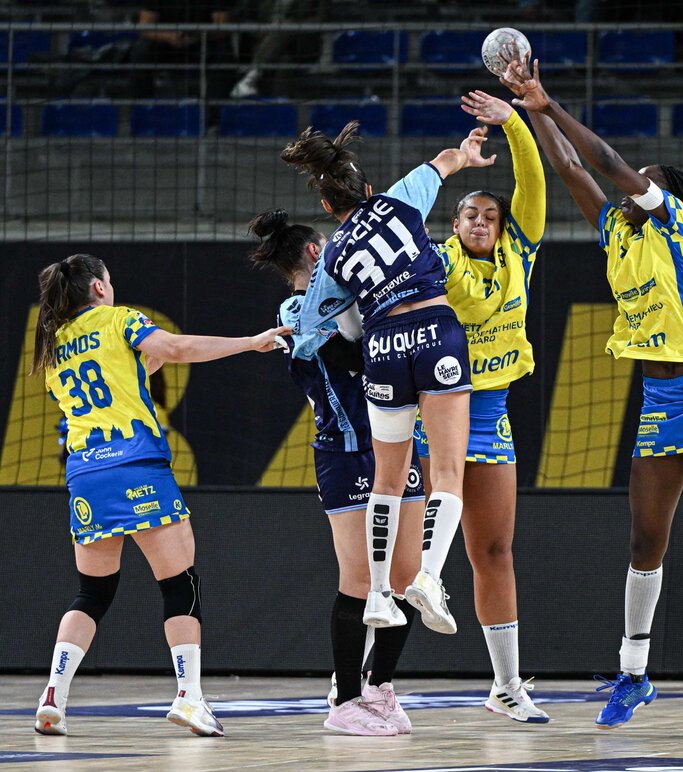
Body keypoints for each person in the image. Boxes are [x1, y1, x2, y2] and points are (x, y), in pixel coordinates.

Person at [500, 57, 683, 733]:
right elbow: (571, 165)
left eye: (641, 182)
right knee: (645, 538)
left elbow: (604, 158)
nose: (628, 188)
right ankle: (633, 673)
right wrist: (531, 110)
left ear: (662, 194)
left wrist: (551, 102)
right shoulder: (616, 232)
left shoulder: (675, 223)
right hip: (659, 397)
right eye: (632, 184)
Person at [30, 253, 286, 737]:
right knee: (179, 584)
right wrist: (251, 342)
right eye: (108, 281)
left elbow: (117, 382)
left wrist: (147, 362)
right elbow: (175, 347)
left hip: (86, 475)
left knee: (92, 593)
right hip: (135, 464)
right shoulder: (119, 319)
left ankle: (52, 697)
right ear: (99, 288)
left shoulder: (54, 345)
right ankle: (189, 698)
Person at [282, 121, 494, 642]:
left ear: (329, 207)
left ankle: (379, 593)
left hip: (382, 347)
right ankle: (428, 578)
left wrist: (302, 331)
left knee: (388, 479)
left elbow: (307, 331)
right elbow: (443, 162)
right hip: (435, 333)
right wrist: (466, 152)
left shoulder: (332, 254)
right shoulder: (400, 200)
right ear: (369, 189)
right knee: (447, 471)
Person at [248, 209, 425, 736]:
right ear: (315, 252)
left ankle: (379, 684)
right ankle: (345, 700)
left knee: (408, 578)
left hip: (396, 445)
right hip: (346, 453)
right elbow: (355, 358)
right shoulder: (297, 308)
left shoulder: (359, 298)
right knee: (360, 580)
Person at [410, 89, 549, 723]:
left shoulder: (522, 252)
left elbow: (534, 182)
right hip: (433, 414)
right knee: (399, 560)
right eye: (469, 214)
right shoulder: (435, 261)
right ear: (455, 223)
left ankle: (507, 686)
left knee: (494, 551)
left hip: (490, 414)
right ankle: (355, 681)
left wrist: (514, 122)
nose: (480, 221)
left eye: (490, 215)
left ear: (503, 226)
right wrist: (453, 165)